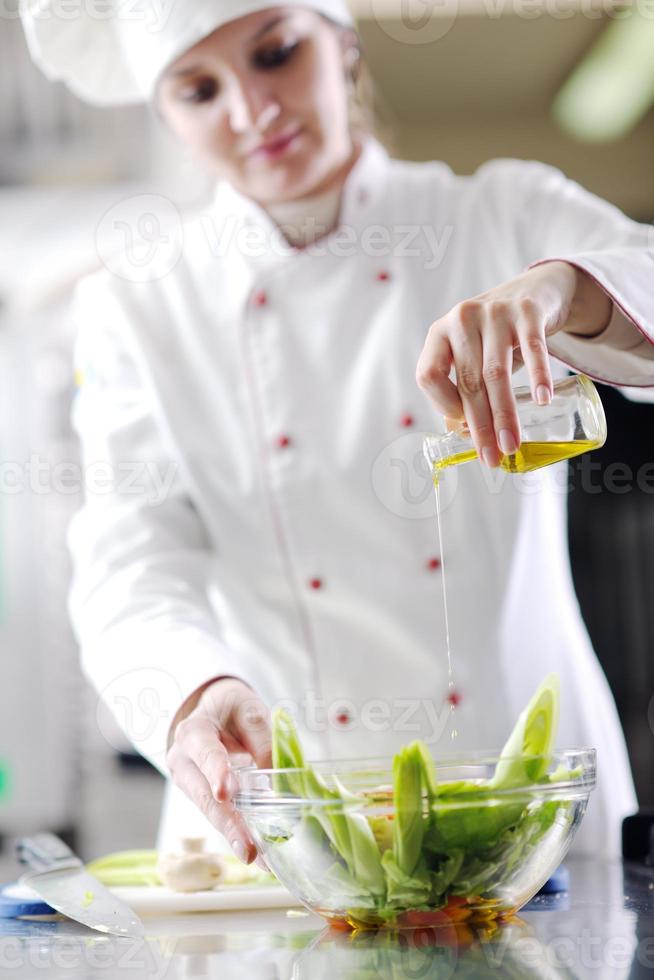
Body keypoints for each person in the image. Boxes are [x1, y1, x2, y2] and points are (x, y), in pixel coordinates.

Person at [21, 0, 654, 864]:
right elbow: (130, 563)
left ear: (346, 50)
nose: (252, 111)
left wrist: (563, 290)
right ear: (164, 113)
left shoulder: (500, 212)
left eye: (276, 53)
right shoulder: (138, 306)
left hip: (531, 809)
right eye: (199, 89)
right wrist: (192, 690)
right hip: (289, 825)